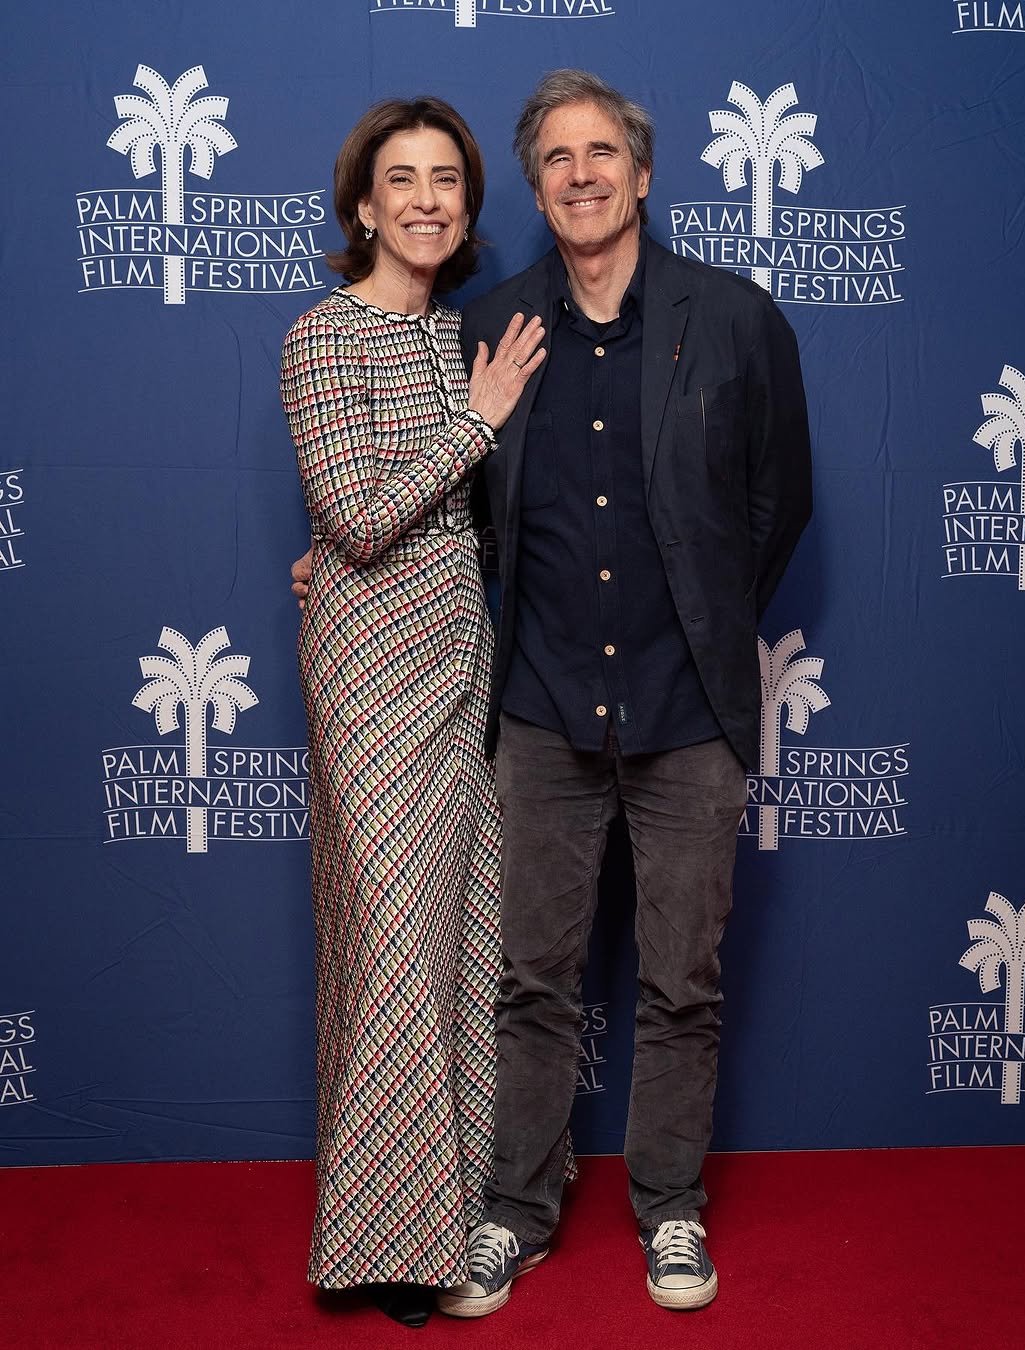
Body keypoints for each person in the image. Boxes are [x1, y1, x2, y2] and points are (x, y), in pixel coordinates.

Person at [293, 69, 812, 1316]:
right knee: (530, 979)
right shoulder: (491, 331)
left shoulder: (735, 319)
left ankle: (669, 1209)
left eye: (602, 154)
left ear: (639, 172)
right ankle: (514, 1212)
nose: (580, 176)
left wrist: (703, 615)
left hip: (688, 712)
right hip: (536, 708)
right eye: (556, 162)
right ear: (532, 192)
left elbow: (776, 506)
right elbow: (440, 497)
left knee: (681, 982)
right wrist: (335, 555)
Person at [280, 96, 545, 1327]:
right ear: (363, 204)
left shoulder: (465, 339)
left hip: (458, 653)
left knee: (453, 931)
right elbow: (361, 513)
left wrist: (473, 411)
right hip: (366, 661)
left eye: (449, 179)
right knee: (388, 940)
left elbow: (473, 517)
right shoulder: (322, 339)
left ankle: (443, 1215)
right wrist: (476, 420)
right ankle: (384, 1245)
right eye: (405, 179)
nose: (429, 199)